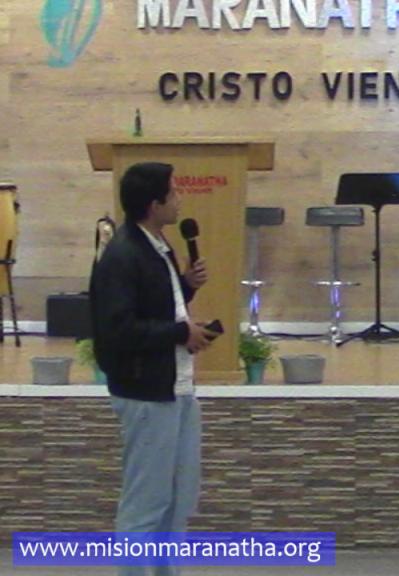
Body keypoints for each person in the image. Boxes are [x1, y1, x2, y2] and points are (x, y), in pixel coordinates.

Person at [90, 162, 216, 576]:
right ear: (153, 203)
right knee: (145, 504)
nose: (180, 198)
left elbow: (154, 306)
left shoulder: (155, 244)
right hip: (146, 392)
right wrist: (181, 332)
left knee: (177, 499)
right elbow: (118, 330)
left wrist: (186, 286)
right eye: (174, 192)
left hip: (175, 386)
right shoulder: (122, 254)